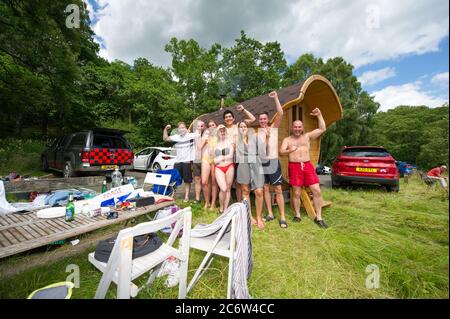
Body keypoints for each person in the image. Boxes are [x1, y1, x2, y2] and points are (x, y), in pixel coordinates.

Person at [279, 108, 328, 228]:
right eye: (295, 127)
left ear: (302, 128)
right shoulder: (287, 139)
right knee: (296, 192)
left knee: (316, 190)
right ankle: (297, 214)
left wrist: (319, 115)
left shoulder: (307, 137)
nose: (297, 129)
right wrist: (289, 150)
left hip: (307, 166)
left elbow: (322, 129)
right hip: (294, 167)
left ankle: (319, 217)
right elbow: (281, 151)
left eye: (299, 127)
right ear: (292, 128)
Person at [258, 91, 286, 228]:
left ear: (268, 119)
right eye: (260, 119)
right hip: (263, 163)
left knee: (278, 189)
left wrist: (276, 98)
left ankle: (282, 217)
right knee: (265, 189)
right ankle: (270, 213)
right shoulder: (258, 133)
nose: (262, 121)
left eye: (264, 119)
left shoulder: (273, 128)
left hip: (273, 162)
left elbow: (280, 113)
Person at [236, 121, 265, 229]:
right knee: (245, 190)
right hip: (243, 163)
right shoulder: (238, 140)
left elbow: (262, 152)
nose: (243, 128)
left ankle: (258, 216)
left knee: (259, 191)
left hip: (256, 163)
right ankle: (249, 216)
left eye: (244, 126)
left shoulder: (256, 137)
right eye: (241, 127)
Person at [223, 106, 256, 202]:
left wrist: (243, 110)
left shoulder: (238, 125)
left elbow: (253, 119)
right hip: (228, 158)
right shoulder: (223, 129)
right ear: (224, 120)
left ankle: (242, 203)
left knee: (239, 183)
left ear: (233, 118)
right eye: (226, 117)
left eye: (230, 116)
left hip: (239, 157)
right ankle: (235, 203)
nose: (228, 118)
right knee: (230, 182)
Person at [163, 122, 199, 202]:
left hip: (187, 162)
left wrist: (195, 127)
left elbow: (199, 133)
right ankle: (173, 195)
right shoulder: (176, 137)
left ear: (186, 128)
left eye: (183, 127)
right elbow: (165, 138)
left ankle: (186, 197)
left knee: (187, 180)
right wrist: (165, 129)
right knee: (175, 180)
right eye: (180, 128)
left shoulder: (190, 136)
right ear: (178, 130)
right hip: (177, 162)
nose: (182, 129)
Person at [214, 124, 235, 213]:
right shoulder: (215, 144)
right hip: (219, 167)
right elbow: (214, 160)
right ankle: (221, 206)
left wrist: (220, 158)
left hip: (229, 166)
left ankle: (225, 209)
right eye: (220, 131)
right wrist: (223, 157)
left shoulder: (230, 142)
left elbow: (231, 155)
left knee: (228, 189)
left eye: (223, 131)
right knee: (223, 188)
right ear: (217, 133)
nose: (222, 132)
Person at [200, 120, 219, 210]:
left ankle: (213, 203)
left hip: (215, 159)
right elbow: (199, 147)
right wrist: (205, 141)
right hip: (206, 158)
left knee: (214, 182)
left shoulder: (219, 135)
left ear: (216, 126)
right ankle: (207, 202)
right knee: (204, 182)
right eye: (210, 125)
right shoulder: (205, 135)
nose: (211, 126)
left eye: (213, 125)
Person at [193, 120, 206, 203]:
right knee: (197, 179)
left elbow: (200, 146)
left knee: (205, 181)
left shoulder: (207, 135)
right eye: (199, 126)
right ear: (196, 127)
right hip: (196, 160)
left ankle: (206, 199)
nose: (200, 127)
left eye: (202, 126)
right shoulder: (193, 136)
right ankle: (197, 198)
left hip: (205, 161)